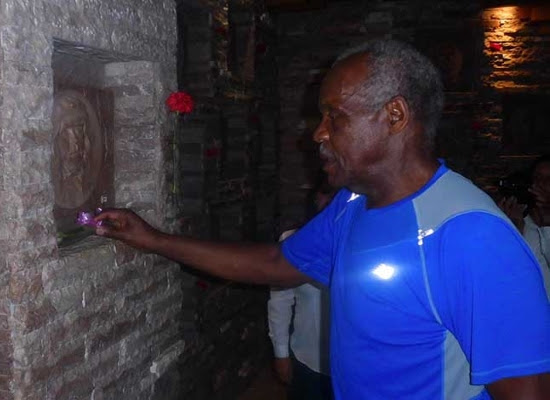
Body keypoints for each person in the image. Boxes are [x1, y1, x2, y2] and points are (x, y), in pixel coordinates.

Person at [94, 39, 550, 399]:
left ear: (395, 116)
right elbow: (277, 263)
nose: (318, 133)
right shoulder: (353, 203)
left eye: (335, 115)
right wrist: (153, 240)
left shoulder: (472, 237)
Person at [268, 183, 334, 400]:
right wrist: (281, 354)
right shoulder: (293, 243)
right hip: (307, 359)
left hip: (355, 364)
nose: (327, 204)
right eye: (323, 196)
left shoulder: (362, 244)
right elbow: (280, 303)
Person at [499, 155, 550, 297]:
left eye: (548, 179)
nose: (541, 184)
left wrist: (547, 225)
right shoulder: (521, 220)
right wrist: (512, 231)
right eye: (537, 177)